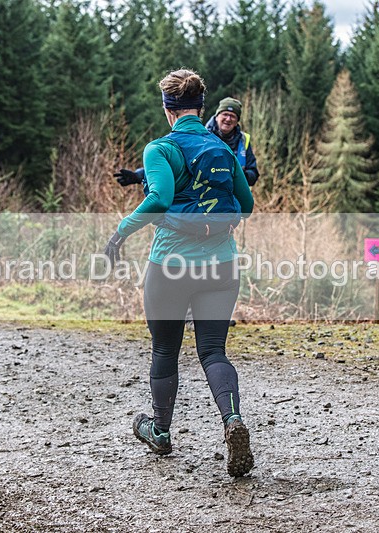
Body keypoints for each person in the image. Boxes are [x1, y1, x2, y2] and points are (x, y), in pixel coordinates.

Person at [102, 69, 255, 477]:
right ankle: (232, 420)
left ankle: (161, 431)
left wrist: (120, 232)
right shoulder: (223, 149)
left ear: (168, 109)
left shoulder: (160, 148)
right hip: (221, 263)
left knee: (166, 349)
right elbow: (247, 202)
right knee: (213, 351)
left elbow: (159, 198)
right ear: (202, 108)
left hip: (171, 264)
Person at [114, 97, 259, 188]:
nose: (228, 119)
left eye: (233, 116)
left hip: (229, 208)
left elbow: (253, 174)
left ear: (237, 120)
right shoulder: (200, 136)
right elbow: (172, 164)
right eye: (225, 114)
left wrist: (240, 176)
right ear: (216, 116)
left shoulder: (244, 141)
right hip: (198, 205)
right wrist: (139, 175)